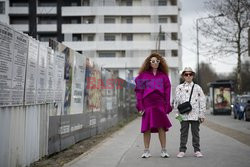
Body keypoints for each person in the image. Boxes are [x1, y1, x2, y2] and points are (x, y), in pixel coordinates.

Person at [134, 53, 172, 158]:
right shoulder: (143, 76)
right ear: (149, 63)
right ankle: (146, 151)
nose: (155, 63)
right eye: (153, 61)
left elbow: (167, 92)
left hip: (160, 104)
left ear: (160, 62)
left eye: (157, 61)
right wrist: (140, 106)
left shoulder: (164, 76)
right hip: (147, 104)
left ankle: (164, 150)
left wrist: (167, 105)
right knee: (146, 128)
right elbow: (139, 91)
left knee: (161, 127)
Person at [174, 67, 206, 158]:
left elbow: (202, 101)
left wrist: (202, 114)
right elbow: (176, 102)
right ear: (183, 75)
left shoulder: (197, 88)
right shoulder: (179, 88)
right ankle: (182, 150)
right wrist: (177, 115)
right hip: (183, 116)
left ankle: (197, 150)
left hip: (195, 115)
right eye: (186, 74)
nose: (188, 76)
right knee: (183, 133)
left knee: (195, 133)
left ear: (193, 76)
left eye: (190, 74)